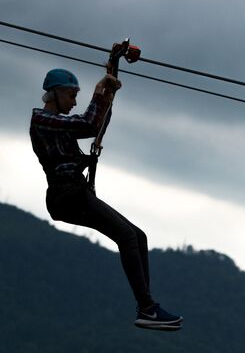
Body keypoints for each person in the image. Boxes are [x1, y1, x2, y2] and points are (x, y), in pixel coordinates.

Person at [29, 68, 183, 330]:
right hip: (66, 195)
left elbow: (95, 124)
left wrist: (108, 96)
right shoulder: (42, 120)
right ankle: (147, 308)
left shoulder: (58, 126)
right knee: (127, 236)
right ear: (53, 94)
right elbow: (88, 124)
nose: (74, 101)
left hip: (74, 193)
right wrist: (100, 91)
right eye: (71, 95)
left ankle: (148, 306)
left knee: (138, 236)